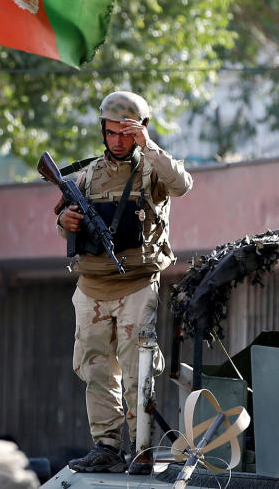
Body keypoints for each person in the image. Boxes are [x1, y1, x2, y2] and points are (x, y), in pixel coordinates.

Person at [55, 91, 193, 473]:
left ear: (141, 130)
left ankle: (143, 448)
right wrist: (64, 222)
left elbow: (182, 185)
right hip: (91, 288)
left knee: (138, 370)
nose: (118, 140)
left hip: (135, 284)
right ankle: (107, 446)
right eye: (111, 132)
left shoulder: (153, 171)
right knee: (95, 368)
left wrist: (149, 148)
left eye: (127, 133)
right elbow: (66, 225)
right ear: (103, 131)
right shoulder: (86, 175)